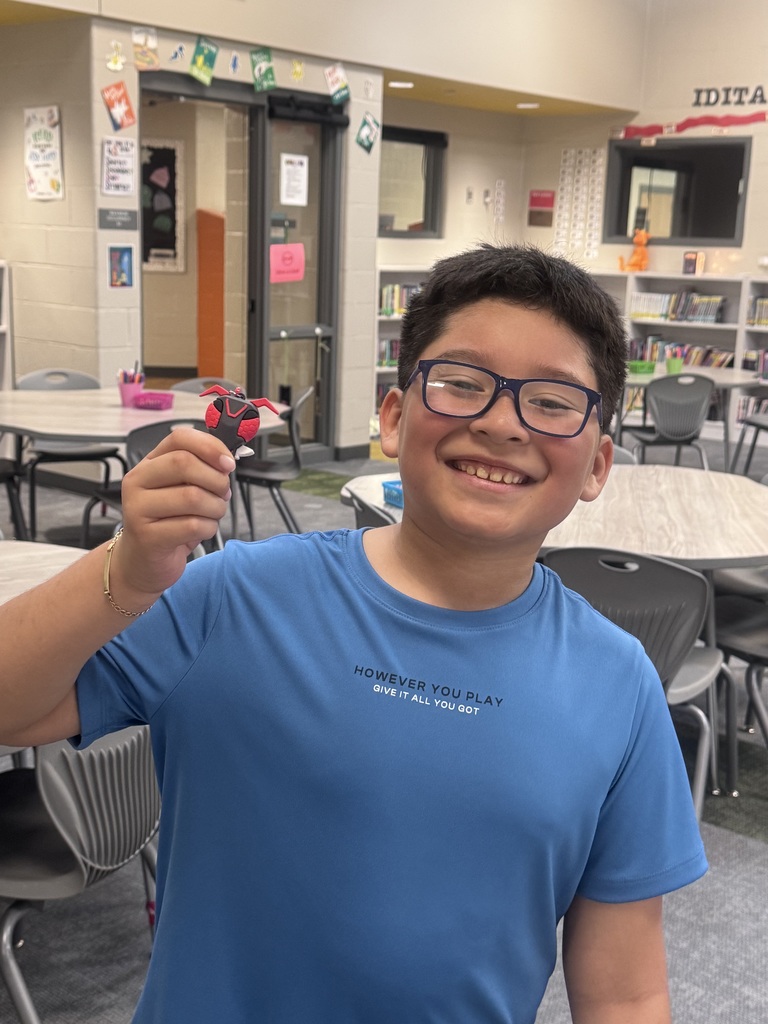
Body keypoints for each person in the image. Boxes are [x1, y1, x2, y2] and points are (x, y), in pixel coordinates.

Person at [0, 244, 707, 1023]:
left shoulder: (619, 686)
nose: (503, 424)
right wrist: (125, 577)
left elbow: (627, 992)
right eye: (463, 384)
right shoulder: (235, 597)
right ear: (394, 418)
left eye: (551, 402)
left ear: (599, 463)